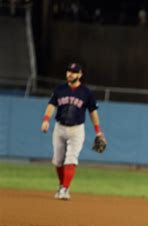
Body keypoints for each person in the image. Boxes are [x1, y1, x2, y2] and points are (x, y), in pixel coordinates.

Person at [41, 63, 106, 200]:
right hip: (60, 128)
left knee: (71, 158)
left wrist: (98, 132)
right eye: (69, 71)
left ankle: (65, 189)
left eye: (74, 72)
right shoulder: (60, 89)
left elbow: (93, 112)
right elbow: (51, 105)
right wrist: (46, 120)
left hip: (77, 130)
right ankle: (61, 185)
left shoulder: (86, 92)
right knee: (58, 161)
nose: (70, 74)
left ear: (80, 75)